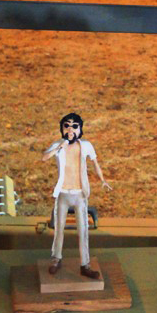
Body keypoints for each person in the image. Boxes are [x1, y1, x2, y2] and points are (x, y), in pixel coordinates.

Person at [42, 112, 110, 279]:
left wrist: (102, 180)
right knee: (59, 228)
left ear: (80, 129)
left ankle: (85, 264)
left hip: (80, 194)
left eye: (74, 126)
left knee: (83, 230)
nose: (70, 130)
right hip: (63, 193)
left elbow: (95, 163)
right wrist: (60, 146)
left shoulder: (85, 145)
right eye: (67, 126)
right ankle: (56, 259)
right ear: (62, 129)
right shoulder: (58, 145)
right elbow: (44, 158)